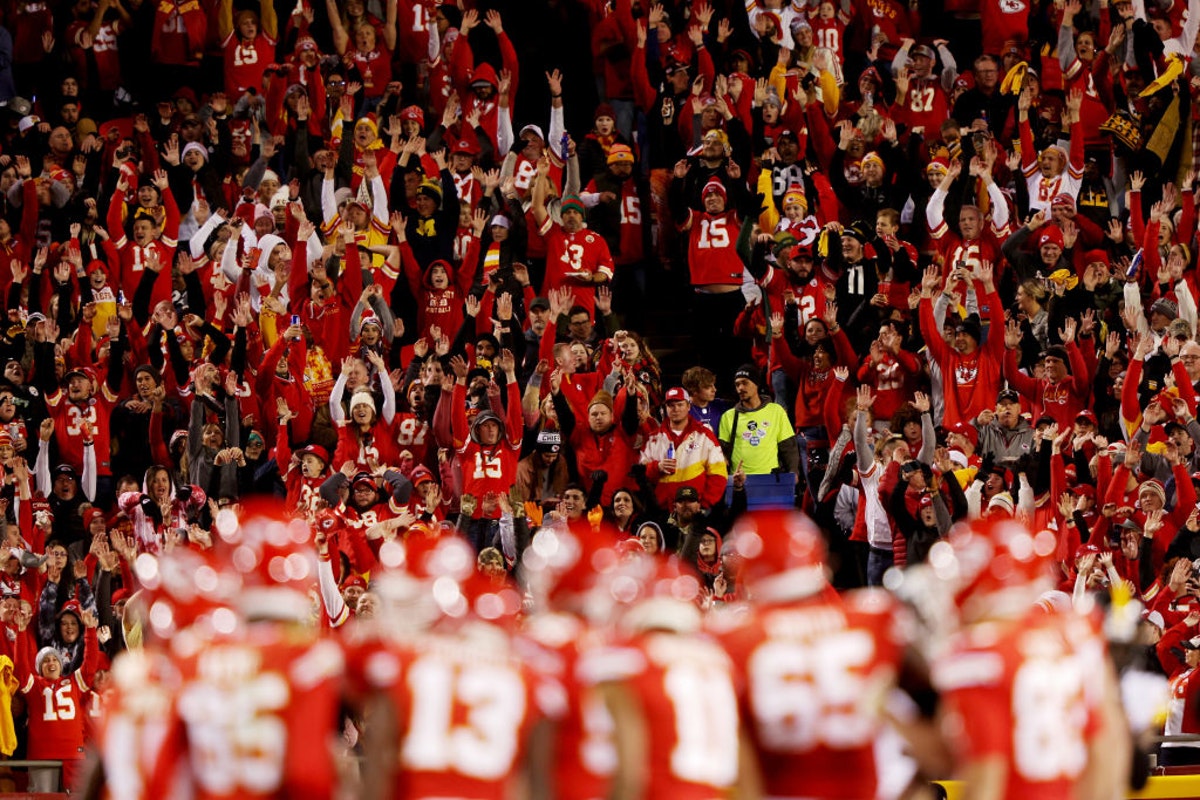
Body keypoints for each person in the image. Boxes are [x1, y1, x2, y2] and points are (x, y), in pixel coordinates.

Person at [718, 364, 799, 477]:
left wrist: (794, 472)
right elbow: (722, 451)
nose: (740, 388)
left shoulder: (776, 411)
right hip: (740, 481)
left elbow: (788, 446)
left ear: (756, 384)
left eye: (745, 383)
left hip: (771, 479)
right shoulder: (729, 416)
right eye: (737, 385)